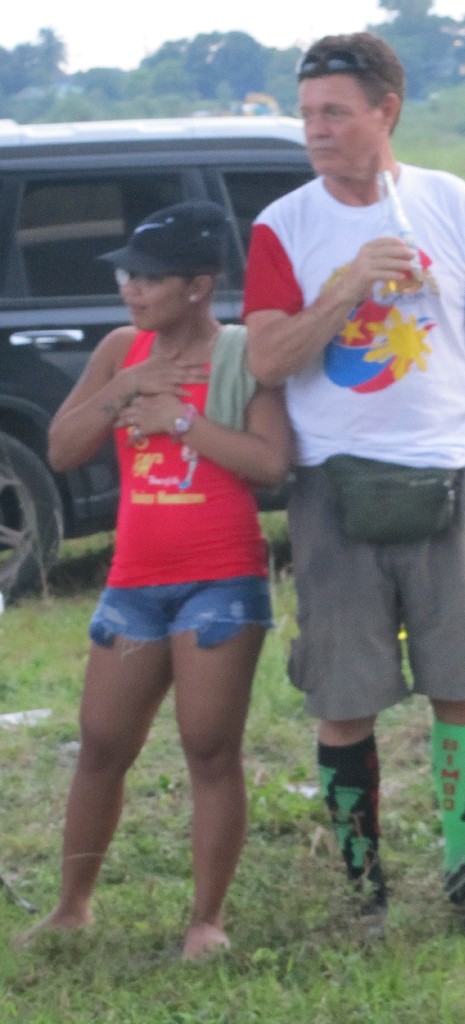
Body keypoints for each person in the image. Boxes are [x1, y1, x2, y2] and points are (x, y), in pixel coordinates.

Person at [243, 33, 465, 940]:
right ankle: (364, 891)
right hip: (335, 484)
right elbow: (270, 360)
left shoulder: (451, 201)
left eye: (334, 112)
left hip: (449, 470)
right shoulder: (283, 226)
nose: (315, 130)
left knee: (462, 684)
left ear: (386, 111)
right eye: (307, 114)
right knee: (343, 694)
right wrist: (347, 283)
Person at [18, 200, 292, 959]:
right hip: (133, 583)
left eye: (147, 278)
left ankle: (206, 921)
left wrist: (180, 420)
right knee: (102, 744)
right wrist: (127, 387)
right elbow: (63, 448)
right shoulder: (121, 348)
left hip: (221, 581)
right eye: (126, 278)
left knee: (209, 748)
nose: (130, 290)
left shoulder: (244, 353)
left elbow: (272, 463)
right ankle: (71, 908)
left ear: (198, 286)